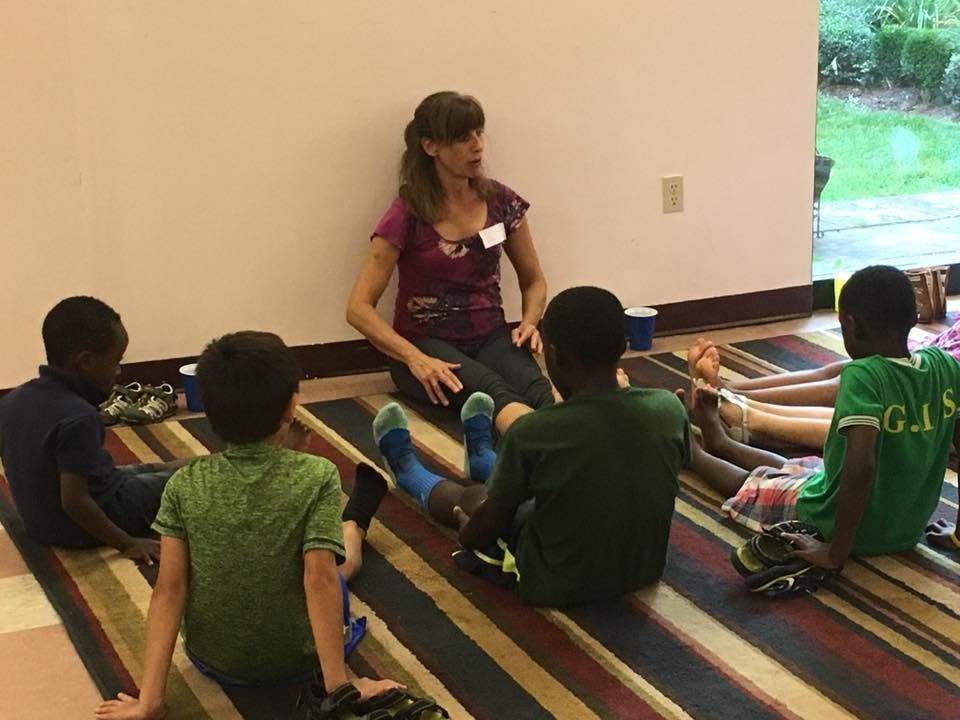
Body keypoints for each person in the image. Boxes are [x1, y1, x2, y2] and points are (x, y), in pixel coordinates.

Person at [94, 332, 401, 720]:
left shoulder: (183, 484)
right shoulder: (317, 476)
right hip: (297, 659)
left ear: (205, 408)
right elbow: (317, 581)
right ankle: (357, 520)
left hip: (213, 659)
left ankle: (355, 519)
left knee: (318, 558)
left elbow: (169, 590)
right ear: (292, 405)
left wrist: (149, 700)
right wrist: (340, 688)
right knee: (339, 570)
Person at [372, 287, 689, 607]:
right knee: (568, 477)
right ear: (623, 346)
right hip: (644, 570)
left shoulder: (535, 432)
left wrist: (469, 538)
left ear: (553, 355)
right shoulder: (668, 407)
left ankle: (410, 474)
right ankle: (485, 460)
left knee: (477, 499)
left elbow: (492, 521)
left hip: (559, 582)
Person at [688, 266, 960, 569]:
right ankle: (721, 442)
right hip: (905, 529)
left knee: (757, 487)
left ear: (852, 326)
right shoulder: (946, 367)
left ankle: (691, 453)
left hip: (846, 528)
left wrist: (835, 552)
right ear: (913, 318)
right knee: (802, 469)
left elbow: (861, 466)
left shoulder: (863, 376)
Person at [347, 91, 553, 449]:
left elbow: (533, 280)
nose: (478, 146)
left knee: (540, 390)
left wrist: (530, 322)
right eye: (463, 138)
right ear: (431, 147)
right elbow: (358, 308)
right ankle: (543, 456)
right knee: (493, 393)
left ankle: (580, 449)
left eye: (479, 133)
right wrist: (415, 358)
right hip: (426, 344)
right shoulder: (406, 213)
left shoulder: (501, 202)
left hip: (490, 334)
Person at [0, 297, 183, 561]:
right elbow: (74, 502)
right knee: (187, 484)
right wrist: (127, 544)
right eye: (115, 361)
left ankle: (196, 466)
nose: (118, 371)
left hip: (39, 523)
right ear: (85, 361)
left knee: (150, 469)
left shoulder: (12, 400)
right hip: (82, 526)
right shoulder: (79, 418)